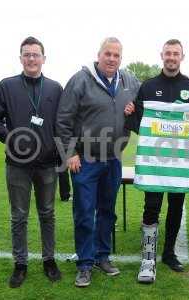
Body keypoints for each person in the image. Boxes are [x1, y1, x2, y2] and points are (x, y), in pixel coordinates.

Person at [56, 37, 139, 287]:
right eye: (108, 54)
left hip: (114, 158)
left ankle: (102, 256)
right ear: (99, 54)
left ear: (121, 58)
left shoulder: (129, 81)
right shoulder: (80, 80)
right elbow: (63, 118)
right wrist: (70, 152)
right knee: (84, 212)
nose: (112, 59)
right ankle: (84, 263)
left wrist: (135, 108)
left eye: (116, 55)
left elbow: (148, 102)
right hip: (86, 159)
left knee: (107, 211)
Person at [125, 39, 189, 283]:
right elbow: (141, 120)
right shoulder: (149, 86)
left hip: (180, 164)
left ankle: (169, 253)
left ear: (182, 57)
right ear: (162, 55)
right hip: (154, 163)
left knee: (175, 207)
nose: (171, 57)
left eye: (176, 54)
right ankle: (148, 258)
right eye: (168, 53)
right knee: (151, 207)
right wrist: (131, 112)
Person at [0, 36, 62, 288]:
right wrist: (10, 139)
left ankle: (49, 260)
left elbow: (62, 124)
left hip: (47, 163)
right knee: (18, 216)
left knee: (47, 213)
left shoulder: (54, 87)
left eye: (35, 54)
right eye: (26, 54)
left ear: (43, 58)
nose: (31, 58)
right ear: (20, 58)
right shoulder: (6, 86)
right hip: (17, 164)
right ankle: (21, 264)